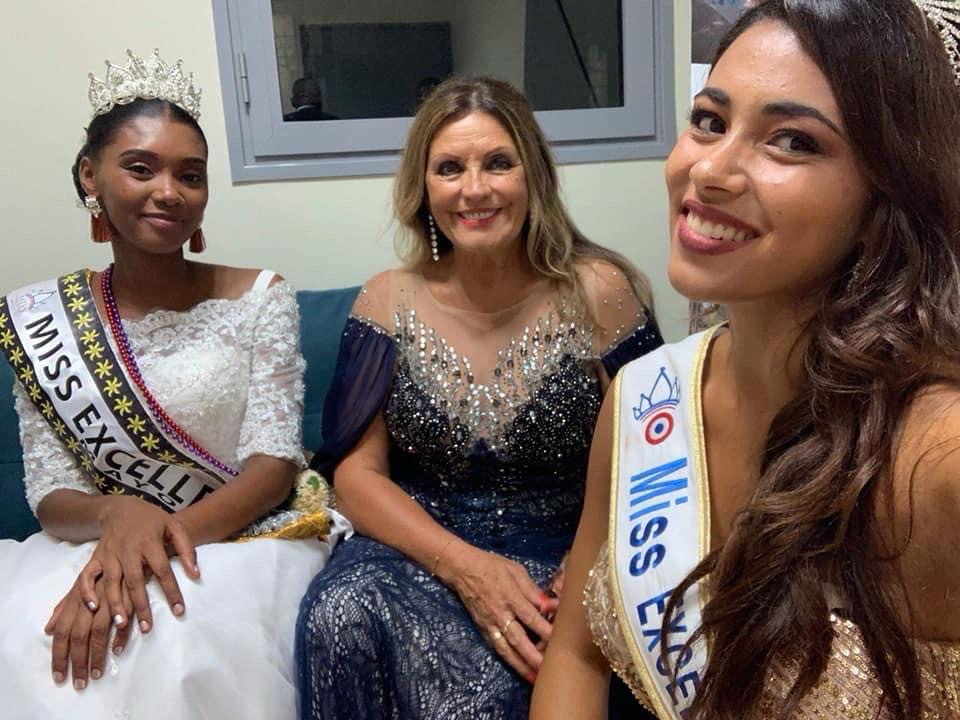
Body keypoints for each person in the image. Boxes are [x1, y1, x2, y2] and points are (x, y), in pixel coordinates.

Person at [532, 1, 960, 718]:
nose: (711, 170)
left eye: (792, 141)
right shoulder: (643, 397)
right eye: (709, 120)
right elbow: (576, 653)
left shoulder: (938, 457)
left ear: (886, 195)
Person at [294, 75, 664, 719]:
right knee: (338, 610)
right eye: (449, 168)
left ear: (534, 175)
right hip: (419, 552)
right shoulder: (386, 300)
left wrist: (591, 564)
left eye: (498, 163)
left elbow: (658, 454)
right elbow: (356, 476)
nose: (475, 189)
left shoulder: (601, 292)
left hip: (571, 550)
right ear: (423, 188)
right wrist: (466, 568)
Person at [0, 50, 345, 720]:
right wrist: (117, 516)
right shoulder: (40, 320)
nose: (169, 191)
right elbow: (50, 495)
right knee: (35, 644)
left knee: (180, 643)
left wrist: (151, 544)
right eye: (141, 168)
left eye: (190, 175)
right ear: (90, 176)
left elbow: (272, 465)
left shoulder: (260, 296)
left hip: (240, 541)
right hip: (98, 541)